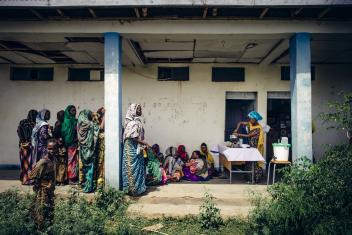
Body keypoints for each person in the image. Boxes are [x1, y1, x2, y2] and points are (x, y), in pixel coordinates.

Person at [29, 138, 56, 231]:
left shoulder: (53, 160)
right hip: (43, 191)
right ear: (46, 149)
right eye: (49, 148)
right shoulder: (43, 161)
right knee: (41, 211)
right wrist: (41, 183)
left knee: (49, 211)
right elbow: (32, 175)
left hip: (50, 191)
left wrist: (51, 183)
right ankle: (39, 230)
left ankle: (48, 229)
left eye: (53, 149)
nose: (51, 151)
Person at [122, 103, 149, 196]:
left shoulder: (137, 122)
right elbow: (133, 138)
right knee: (131, 168)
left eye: (140, 109)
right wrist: (144, 143)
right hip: (131, 149)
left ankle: (138, 188)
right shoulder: (132, 123)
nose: (140, 111)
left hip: (136, 148)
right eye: (138, 109)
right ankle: (132, 190)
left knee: (138, 168)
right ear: (133, 111)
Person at [234, 111, 265, 183]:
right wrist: (236, 129)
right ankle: (249, 178)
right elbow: (240, 123)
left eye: (251, 119)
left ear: (255, 119)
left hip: (256, 147)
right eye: (250, 119)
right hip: (251, 146)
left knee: (255, 163)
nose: (250, 120)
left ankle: (255, 179)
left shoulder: (258, 128)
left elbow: (249, 135)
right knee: (249, 161)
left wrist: (238, 134)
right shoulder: (251, 123)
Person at [77, 109, 100, 193]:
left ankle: (82, 186)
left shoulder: (79, 125)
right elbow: (97, 129)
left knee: (83, 168)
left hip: (83, 150)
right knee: (90, 168)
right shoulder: (90, 124)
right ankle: (88, 187)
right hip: (90, 150)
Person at [17, 109, 37, 185]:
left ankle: (26, 179)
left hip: (26, 145)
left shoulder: (24, 122)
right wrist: (24, 141)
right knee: (27, 163)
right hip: (26, 146)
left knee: (27, 163)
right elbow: (19, 131)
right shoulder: (28, 123)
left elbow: (18, 131)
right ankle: (26, 180)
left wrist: (22, 141)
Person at [61, 105, 79, 184]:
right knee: (71, 161)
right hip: (70, 144)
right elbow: (65, 133)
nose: (74, 112)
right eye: (72, 111)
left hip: (74, 143)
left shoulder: (75, 120)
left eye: (75, 110)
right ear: (68, 112)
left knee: (74, 161)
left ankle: (73, 177)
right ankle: (71, 178)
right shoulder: (67, 121)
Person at [95, 107, 105, 188]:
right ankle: (99, 180)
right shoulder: (97, 120)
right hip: (100, 146)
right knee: (100, 162)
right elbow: (101, 128)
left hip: (104, 146)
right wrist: (104, 117)